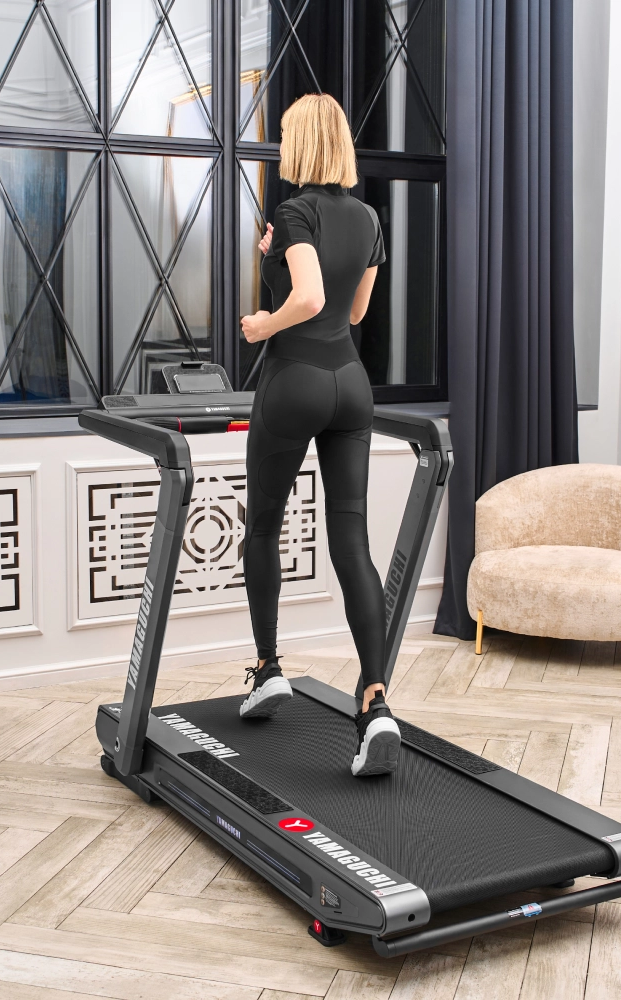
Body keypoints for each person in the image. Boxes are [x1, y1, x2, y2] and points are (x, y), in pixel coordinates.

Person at [238, 94, 400, 778]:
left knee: (263, 528)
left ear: (301, 142)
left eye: (284, 135)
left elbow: (307, 299)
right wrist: (273, 258)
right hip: (350, 385)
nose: (279, 145)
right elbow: (354, 311)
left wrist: (262, 324)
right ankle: (375, 700)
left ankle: (268, 668)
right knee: (352, 543)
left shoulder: (294, 210)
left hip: (295, 380)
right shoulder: (368, 218)